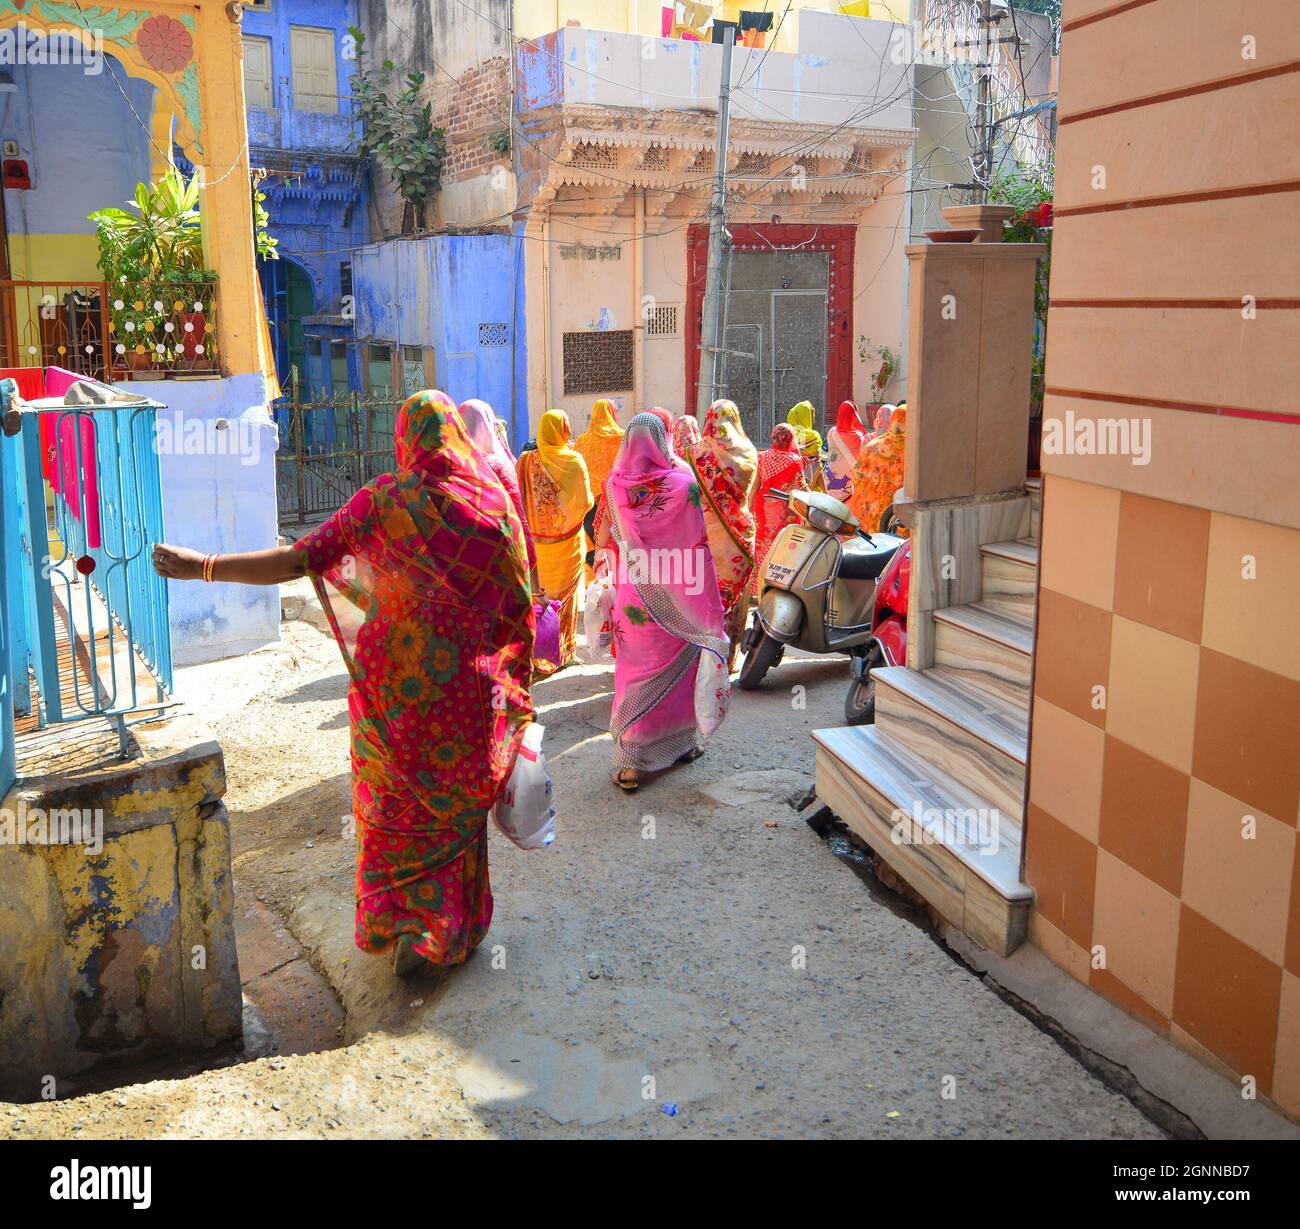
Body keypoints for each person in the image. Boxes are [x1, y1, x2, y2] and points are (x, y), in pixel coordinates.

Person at [151, 390, 535, 979]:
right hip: (468, 700)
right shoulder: (495, 504)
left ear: (405, 439)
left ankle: (402, 923)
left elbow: (297, 560)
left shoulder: (385, 502)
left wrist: (204, 565)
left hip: (393, 699)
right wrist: (510, 679)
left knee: (396, 808)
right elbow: (519, 601)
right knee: (454, 813)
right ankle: (446, 932)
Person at [597, 412, 730, 793]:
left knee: (633, 676)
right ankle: (684, 744)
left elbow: (608, 538)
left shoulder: (615, 485)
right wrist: (703, 602)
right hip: (680, 594)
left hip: (634, 598)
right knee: (678, 671)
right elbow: (696, 542)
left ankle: (630, 763)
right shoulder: (684, 480)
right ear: (664, 440)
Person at [683, 399, 758, 672]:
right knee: (735, 597)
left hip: (705, 534)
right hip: (739, 534)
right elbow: (750, 491)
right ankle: (729, 657)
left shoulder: (696, 453)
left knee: (705, 595)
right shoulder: (749, 452)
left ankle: (705, 658)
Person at [517, 409, 593, 673]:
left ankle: (537, 655)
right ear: (564, 431)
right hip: (567, 543)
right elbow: (586, 502)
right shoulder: (574, 461)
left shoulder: (525, 461)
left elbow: (519, 499)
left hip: (537, 546)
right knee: (566, 600)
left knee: (539, 597)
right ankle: (564, 653)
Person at [458, 398, 537, 577]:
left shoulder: (453, 465)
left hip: (462, 565)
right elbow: (517, 516)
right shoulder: (500, 466)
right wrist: (531, 562)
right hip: (500, 560)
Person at [749, 423, 808, 597]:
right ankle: (779, 586)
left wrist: (749, 506)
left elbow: (755, 486)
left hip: (762, 510)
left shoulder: (762, 457)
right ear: (790, 439)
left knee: (761, 548)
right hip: (783, 511)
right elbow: (800, 488)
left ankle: (758, 588)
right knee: (781, 548)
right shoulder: (795, 461)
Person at [573, 398, 625, 575]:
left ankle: (595, 591)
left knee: (592, 551)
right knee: (615, 549)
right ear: (613, 414)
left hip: (589, 505)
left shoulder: (581, 442)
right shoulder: (622, 438)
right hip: (615, 502)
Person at [848, 401, 908, 536]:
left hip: (869, 508)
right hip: (893, 516)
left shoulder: (872, 445)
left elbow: (857, 477)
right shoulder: (912, 449)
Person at [825, 399, 867, 496]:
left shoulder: (832, 432)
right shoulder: (858, 437)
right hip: (849, 481)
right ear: (853, 416)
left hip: (832, 476)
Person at [785, 399, 826, 492]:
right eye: (812, 414)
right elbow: (816, 468)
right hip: (810, 494)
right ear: (806, 416)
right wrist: (826, 493)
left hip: (788, 491)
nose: (814, 417)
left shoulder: (785, 436)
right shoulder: (813, 437)